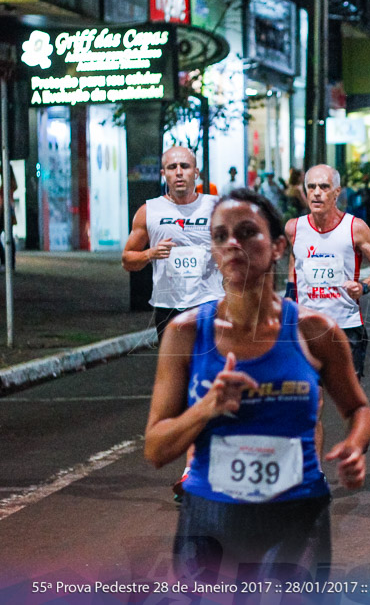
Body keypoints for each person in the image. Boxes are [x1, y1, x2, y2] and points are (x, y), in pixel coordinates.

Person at [144, 188, 370, 580]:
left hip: (296, 513)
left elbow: (358, 409)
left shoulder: (315, 330)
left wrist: (354, 446)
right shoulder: (186, 334)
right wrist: (206, 407)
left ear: (279, 247)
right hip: (210, 515)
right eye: (220, 236)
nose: (233, 243)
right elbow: (155, 449)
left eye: (248, 232)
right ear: (213, 252)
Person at [122, 146, 226, 501]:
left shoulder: (216, 208)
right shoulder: (149, 211)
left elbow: (243, 251)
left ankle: (193, 472)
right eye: (172, 167)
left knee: (206, 383)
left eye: (185, 166)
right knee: (182, 390)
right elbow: (128, 259)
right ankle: (201, 466)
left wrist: (224, 254)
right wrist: (150, 253)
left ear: (197, 172)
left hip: (209, 306)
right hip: (169, 310)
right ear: (163, 174)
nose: (179, 172)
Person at [286, 165, 370, 386]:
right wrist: (289, 295)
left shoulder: (355, 228)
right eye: (311, 187)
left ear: (337, 192)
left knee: (349, 401)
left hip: (346, 326)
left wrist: (364, 287)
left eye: (324, 187)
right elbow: (295, 259)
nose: (316, 192)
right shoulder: (294, 228)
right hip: (307, 326)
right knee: (312, 401)